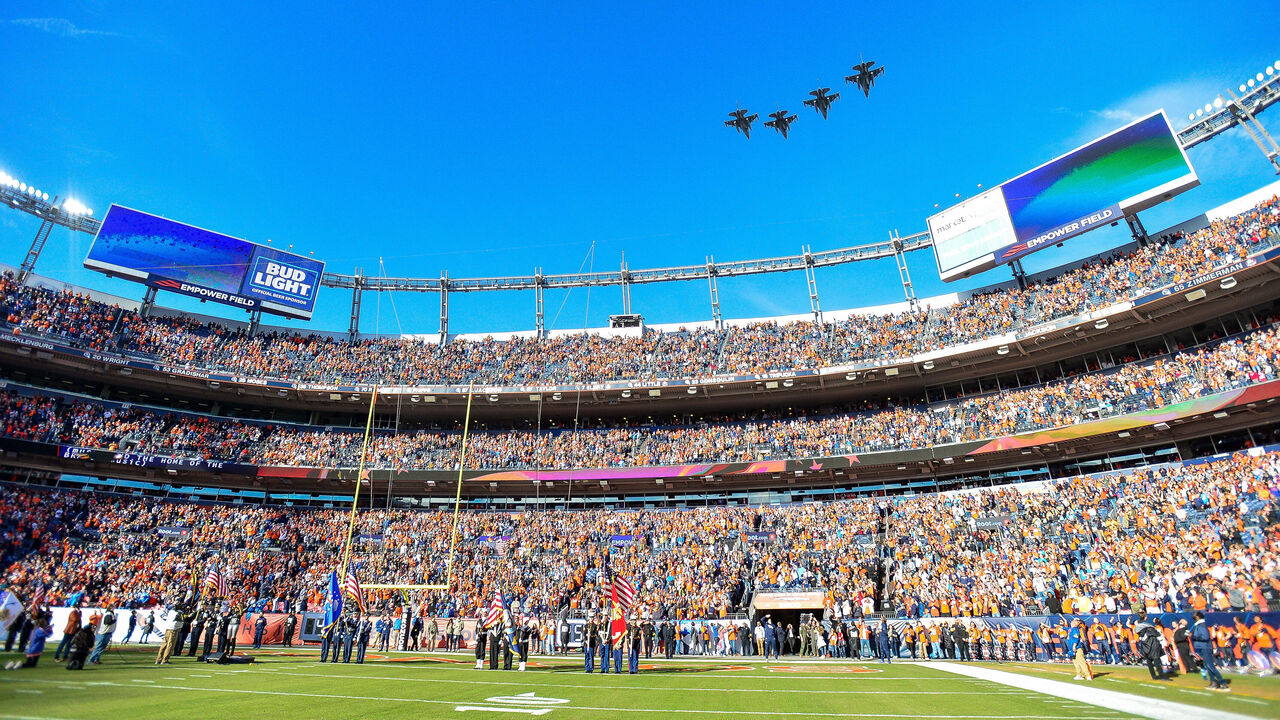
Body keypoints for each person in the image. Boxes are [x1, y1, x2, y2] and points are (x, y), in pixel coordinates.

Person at [1190, 611, 1229, 691]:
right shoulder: (1198, 625)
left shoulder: (1201, 625)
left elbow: (1205, 637)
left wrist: (1193, 636)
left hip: (1205, 647)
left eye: (1195, 614)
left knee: (1210, 666)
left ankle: (1222, 683)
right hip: (1203, 647)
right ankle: (1213, 682)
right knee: (1207, 666)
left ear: (1198, 617)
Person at [1134, 614, 1166, 681]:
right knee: (1157, 661)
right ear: (1145, 618)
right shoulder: (1148, 626)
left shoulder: (1137, 627)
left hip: (1144, 646)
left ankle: (1154, 676)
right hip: (1152, 644)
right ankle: (1162, 676)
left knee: (1149, 663)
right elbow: (1157, 634)